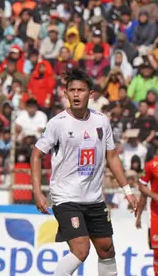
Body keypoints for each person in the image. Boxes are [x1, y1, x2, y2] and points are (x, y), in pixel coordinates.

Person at [31, 68, 136, 276]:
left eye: (81, 90)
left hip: (94, 199)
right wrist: (37, 191)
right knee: (81, 249)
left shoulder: (101, 121)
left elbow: (112, 157)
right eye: (72, 90)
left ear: (91, 94)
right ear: (66, 94)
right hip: (66, 197)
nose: (76, 94)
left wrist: (127, 190)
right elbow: (36, 155)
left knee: (106, 248)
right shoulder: (57, 124)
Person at [136, 151, 158, 275]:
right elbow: (141, 187)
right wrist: (139, 215)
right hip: (156, 214)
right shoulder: (151, 165)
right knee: (157, 252)